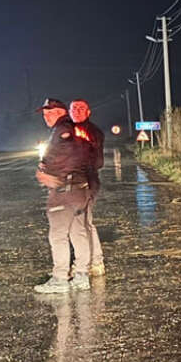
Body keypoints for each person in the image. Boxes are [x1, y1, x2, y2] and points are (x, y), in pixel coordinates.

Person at [33, 98, 96, 293]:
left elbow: (68, 154)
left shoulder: (62, 131)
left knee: (58, 235)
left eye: (50, 113)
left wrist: (50, 173)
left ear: (61, 112)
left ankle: (60, 278)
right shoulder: (78, 128)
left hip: (65, 190)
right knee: (78, 232)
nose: (46, 117)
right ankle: (82, 276)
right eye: (44, 114)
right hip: (81, 188)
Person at [68, 99, 106, 276]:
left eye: (81, 108)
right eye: (74, 108)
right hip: (70, 184)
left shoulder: (92, 132)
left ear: (88, 112)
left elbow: (98, 161)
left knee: (80, 225)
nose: (77, 111)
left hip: (85, 184)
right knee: (81, 224)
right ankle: (94, 262)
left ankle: (89, 263)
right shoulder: (66, 131)